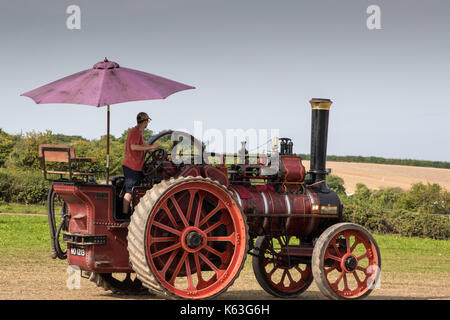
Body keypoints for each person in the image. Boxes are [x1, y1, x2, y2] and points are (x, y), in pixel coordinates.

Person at [122, 112, 158, 214]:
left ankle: (131, 213)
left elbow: (142, 145)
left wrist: (153, 150)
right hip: (132, 166)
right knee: (129, 192)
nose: (148, 123)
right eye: (148, 121)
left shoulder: (139, 132)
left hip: (136, 166)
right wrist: (150, 147)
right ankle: (125, 215)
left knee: (134, 191)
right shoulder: (135, 132)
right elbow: (133, 147)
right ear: (145, 121)